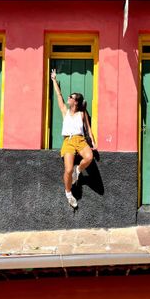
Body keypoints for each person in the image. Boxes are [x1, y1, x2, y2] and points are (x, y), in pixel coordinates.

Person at [50, 69, 96, 210]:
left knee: (89, 157)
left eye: (71, 97)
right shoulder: (65, 111)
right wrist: (53, 80)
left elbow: (88, 128)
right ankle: (69, 193)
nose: (68, 98)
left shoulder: (82, 114)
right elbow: (59, 96)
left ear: (75, 102)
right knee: (68, 170)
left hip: (80, 140)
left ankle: (79, 170)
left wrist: (93, 141)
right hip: (68, 141)